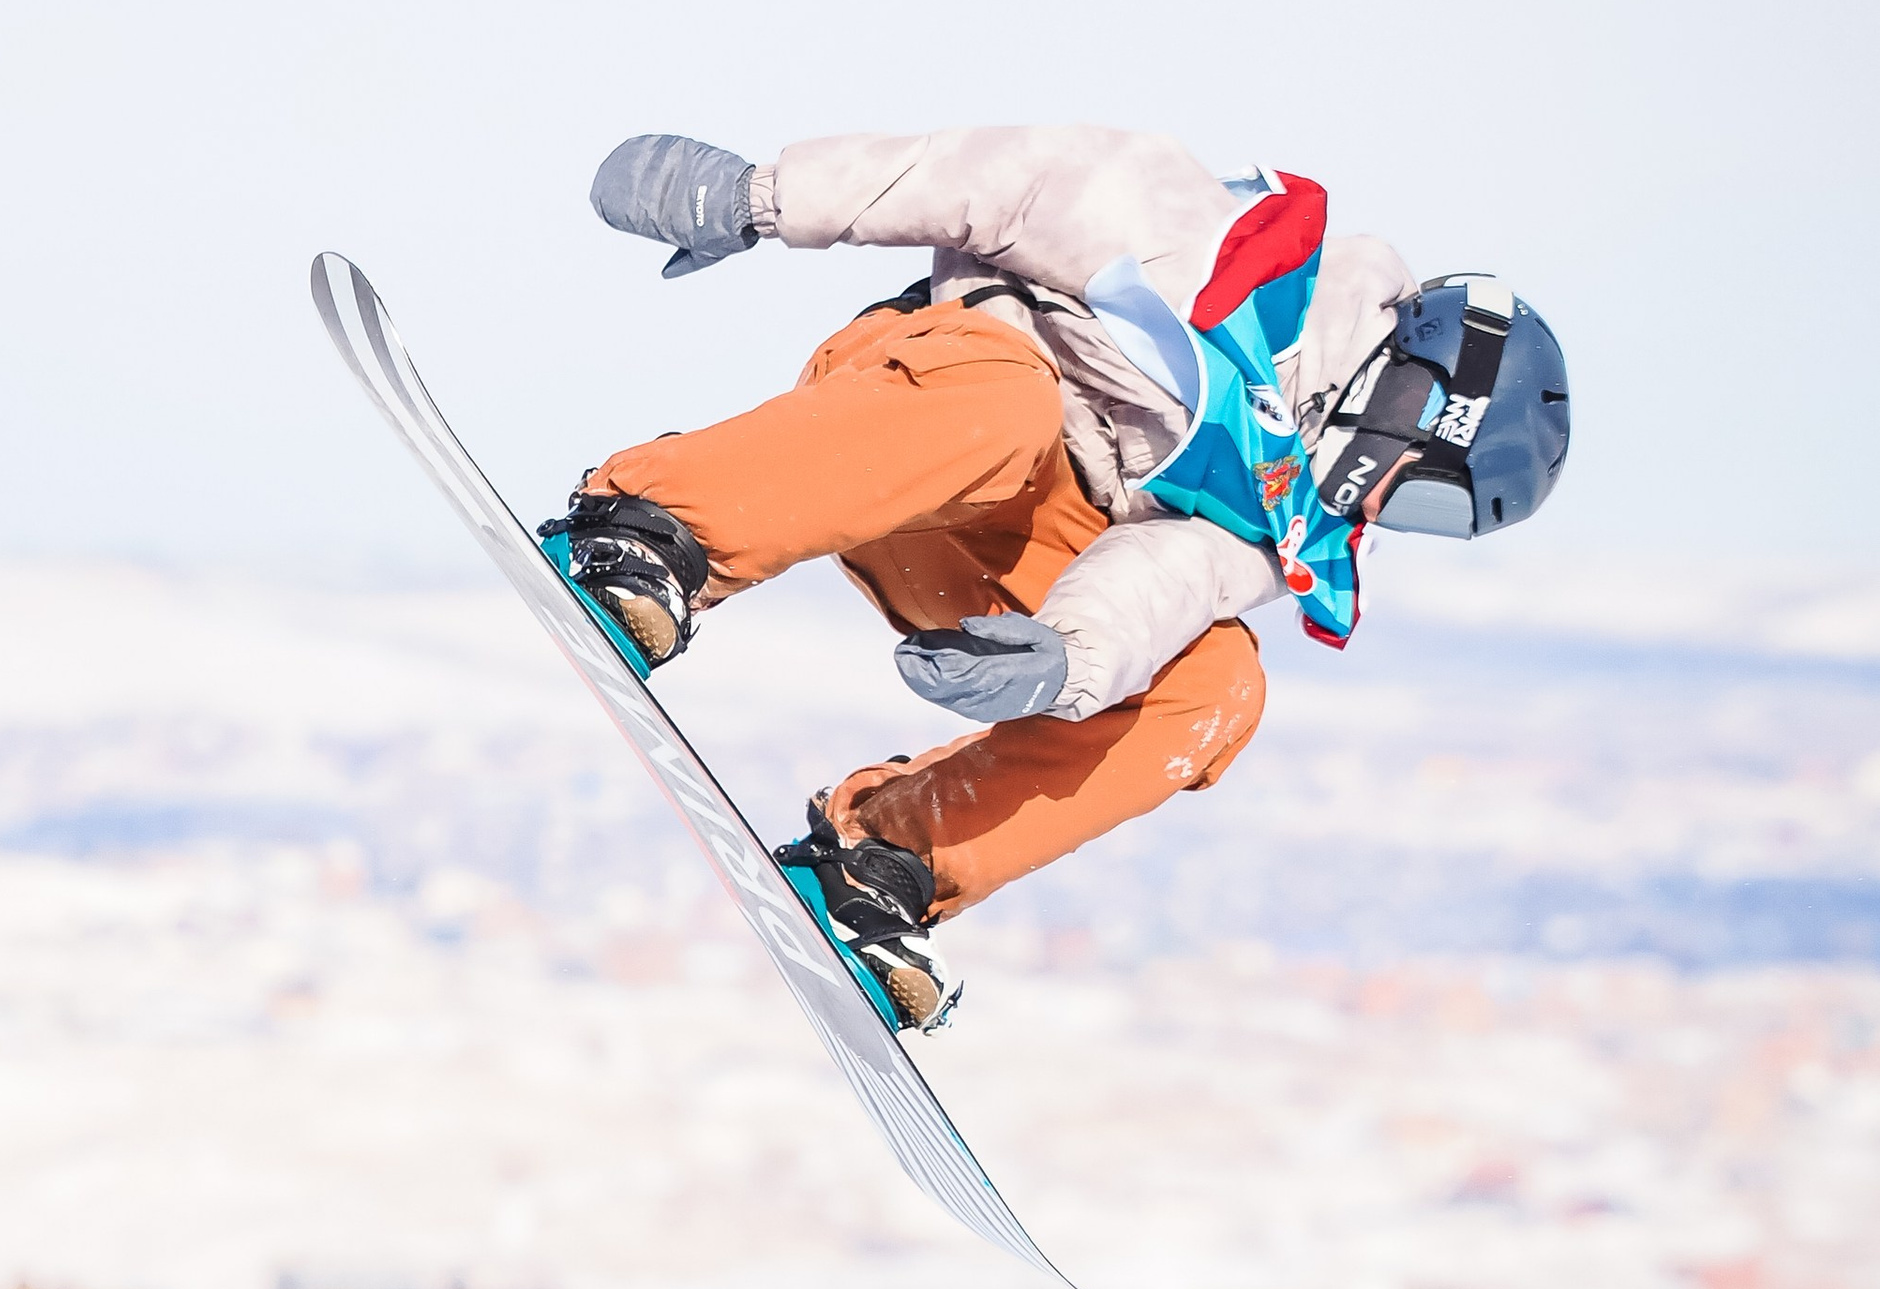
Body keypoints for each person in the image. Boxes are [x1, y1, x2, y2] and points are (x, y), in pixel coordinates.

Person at [545, 124, 1570, 1034]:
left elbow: (1171, 573)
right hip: (920, 410)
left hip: (995, 545)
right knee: (1010, 406)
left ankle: (883, 865)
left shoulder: (1300, 513)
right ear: (1427, 402)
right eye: (1427, 496)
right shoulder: (1200, 246)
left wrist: (1064, 660)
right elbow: (984, 182)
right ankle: (649, 535)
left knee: (1216, 689)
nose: (1387, 513)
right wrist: (761, 198)